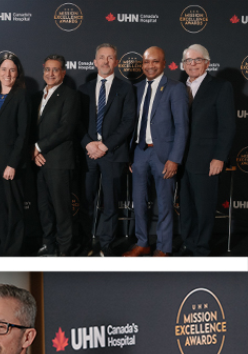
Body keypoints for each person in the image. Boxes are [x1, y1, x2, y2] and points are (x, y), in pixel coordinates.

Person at [124, 46, 189, 257]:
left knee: (164, 203)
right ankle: (142, 242)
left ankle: (163, 247)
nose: (150, 66)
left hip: (164, 155)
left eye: (155, 61)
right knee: (138, 201)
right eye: (146, 62)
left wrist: (174, 159)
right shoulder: (136, 88)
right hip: (139, 152)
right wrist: (129, 155)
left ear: (164, 63)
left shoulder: (175, 88)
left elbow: (182, 127)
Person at [78, 43, 136, 257]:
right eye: (102, 57)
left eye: (110, 57)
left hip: (113, 153)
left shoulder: (125, 88)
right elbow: (77, 122)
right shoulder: (83, 89)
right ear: (95, 62)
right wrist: (88, 144)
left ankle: (106, 244)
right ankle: (85, 243)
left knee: (111, 202)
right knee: (86, 201)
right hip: (88, 154)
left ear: (116, 62)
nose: (105, 61)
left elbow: (129, 121)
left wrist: (105, 145)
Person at [179, 44, 236, 256]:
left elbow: (228, 125)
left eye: (197, 60)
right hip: (180, 159)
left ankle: (200, 249)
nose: (192, 64)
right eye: (188, 61)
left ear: (207, 63)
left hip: (207, 160)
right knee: (185, 207)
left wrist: (219, 157)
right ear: (183, 65)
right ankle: (188, 243)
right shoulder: (178, 87)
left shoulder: (221, 87)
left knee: (204, 208)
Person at [33, 55, 80, 257]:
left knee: (62, 210)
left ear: (63, 72)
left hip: (59, 161)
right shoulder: (37, 96)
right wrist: (34, 153)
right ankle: (49, 244)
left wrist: (37, 147)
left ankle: (64, 250)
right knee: (44, 208)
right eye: (47, 69)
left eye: (55, 70)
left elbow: (65, 129)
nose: (50, 74)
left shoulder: (70, 96)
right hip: (39, 161)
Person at [0, 53, 31, 256]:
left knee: (14, 208)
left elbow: (24, 133)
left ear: (17, 73)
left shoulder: (20, 95)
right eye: (4, 69)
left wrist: (12, 163)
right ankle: (2, 247)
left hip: (10, 162)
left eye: (12, 69)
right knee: (1, 206)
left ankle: (14, 250)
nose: (7, 73)